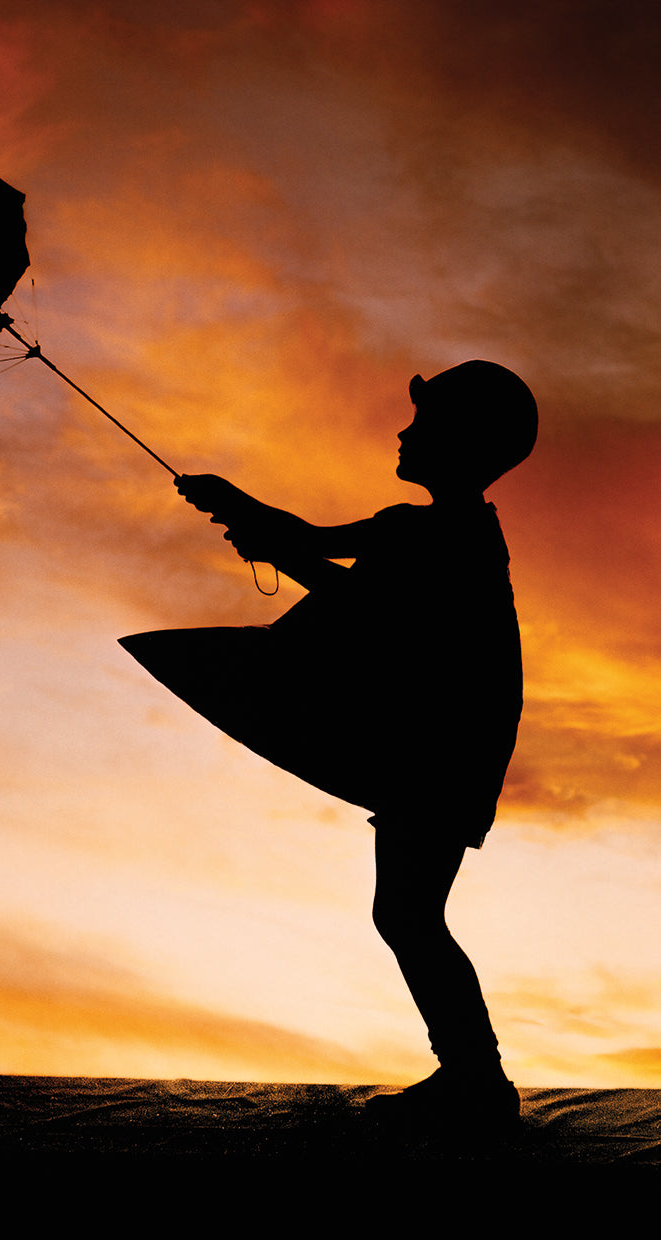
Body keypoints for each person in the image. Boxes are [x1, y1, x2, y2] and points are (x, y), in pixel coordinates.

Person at [170, 360, 538, 1129]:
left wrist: (253, 522)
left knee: (407, 914)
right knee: (407, 913)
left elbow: (353, 593)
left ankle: (477, 1082)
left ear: (459, 443)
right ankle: (473, 1076)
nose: (404, 432)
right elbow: (314, 547)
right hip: (443, 744)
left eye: (423, 423)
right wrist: (245, 513)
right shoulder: (437, 528)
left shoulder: (445, 534)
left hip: (443, 749)